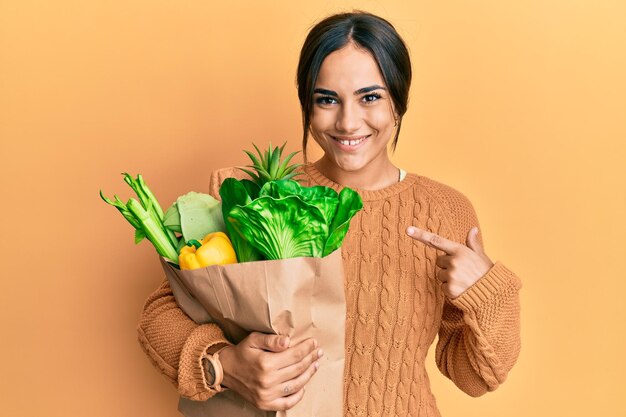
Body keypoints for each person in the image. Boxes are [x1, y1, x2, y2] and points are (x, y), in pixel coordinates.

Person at [137, 11, 522, 417]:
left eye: (370, 97)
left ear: (398, 102)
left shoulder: (446, 210)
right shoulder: (255, 197)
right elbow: (160, 313)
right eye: (327, 99)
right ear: (306, 103)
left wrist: (487, 290)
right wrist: (225, 366)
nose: (347, 121)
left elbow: (474, 377)